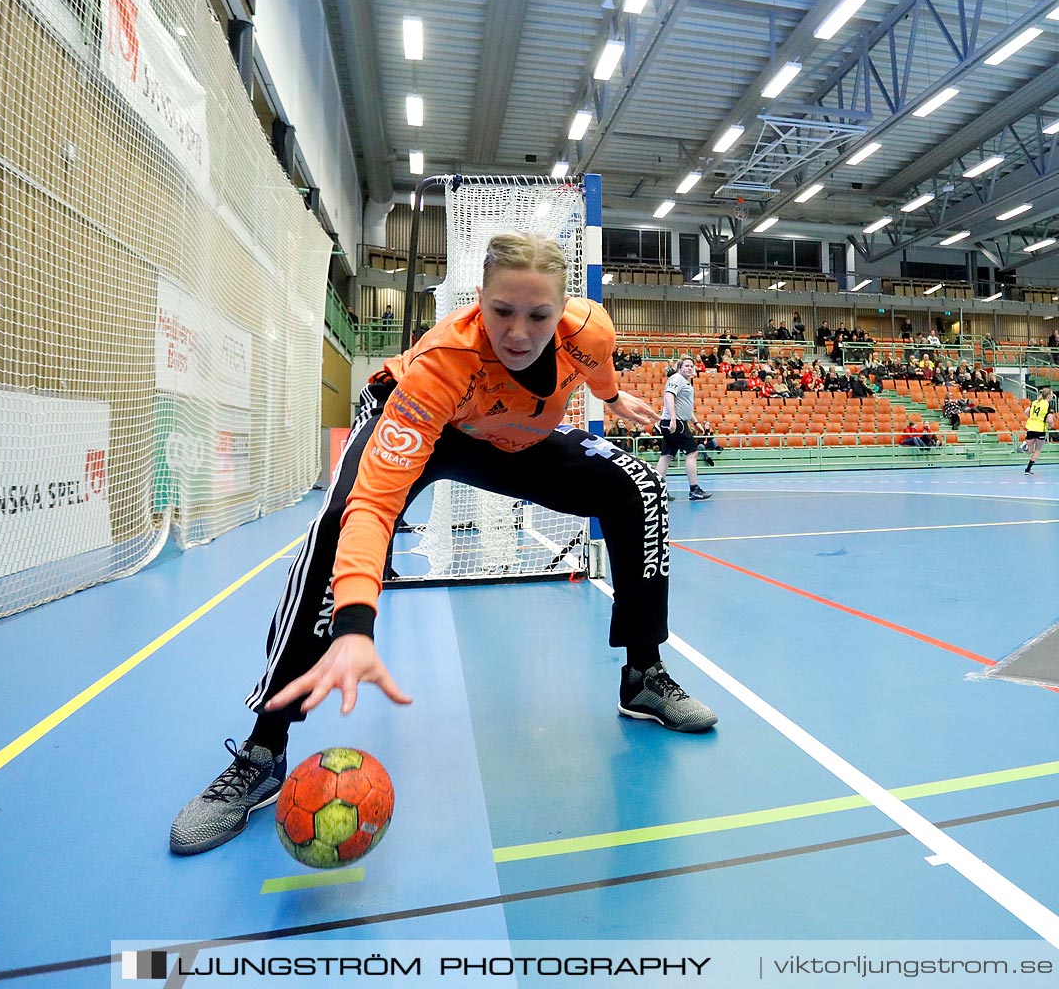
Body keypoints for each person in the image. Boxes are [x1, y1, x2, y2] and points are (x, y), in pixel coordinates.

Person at [168, 233, 715, 857]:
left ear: (564, 311)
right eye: (501, 310)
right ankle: (265, 747)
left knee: (638, 486)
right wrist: (353, 623)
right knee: (340, 521)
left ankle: (643, 676)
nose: (517, 332)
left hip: (516, 437)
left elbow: (598, 370)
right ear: (478, 297)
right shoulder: (444, 362)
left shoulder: (589, 330)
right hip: (429, 425)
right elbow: (375, 506)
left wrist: (614, 398)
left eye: (538, 315)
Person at [655, 357, 711, 502]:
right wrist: (673, 419)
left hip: (676, 421)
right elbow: (668, 397)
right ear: (680, 367)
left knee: (666, 455)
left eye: (691, 366)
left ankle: (657, 491)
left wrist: (696, 422)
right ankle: (694, 490)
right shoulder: (677, 379)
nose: (689, 368)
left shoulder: (686, 382)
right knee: (693, 453)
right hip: (675, 423)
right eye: (686, 365)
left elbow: (685, 405)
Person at [1023, 386, 1054, 474]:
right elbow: (1050, 419)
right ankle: (1028, 469)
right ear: (1048, 395)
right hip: (1040, 428)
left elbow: (1026, 412)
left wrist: (1032, 418)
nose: (1052, 396)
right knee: (1037, 450)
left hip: (1030, 427)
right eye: (1051, 394)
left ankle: (1025, 445)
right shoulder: (1048, 404)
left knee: (1029, 451)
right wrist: (1051, 425)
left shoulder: (1034, 402)